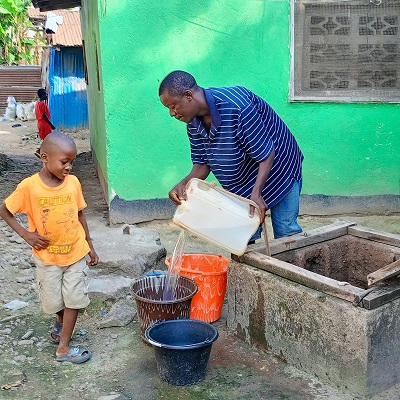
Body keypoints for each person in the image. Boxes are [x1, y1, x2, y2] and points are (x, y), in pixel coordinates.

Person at [159, 70, 304, 240]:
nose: (171, 113)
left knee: (286, 232)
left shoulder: (238, 107)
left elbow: (266, 154)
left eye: (173, 106)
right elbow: (202, 163)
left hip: (279, 170)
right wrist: (183, 184)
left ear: (188, 95)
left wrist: (256, 193)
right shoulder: (193, 122)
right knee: (243, 238)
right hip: (242, 183)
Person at [0, 131, 98, 363]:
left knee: (73, 299)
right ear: (45, 157)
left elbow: (80, 214)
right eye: (65, 162)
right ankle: (61, 322)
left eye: (71, 161)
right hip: (47, 258)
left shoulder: (73, 183)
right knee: (55, 302)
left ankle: (63, 347)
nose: (69, 167)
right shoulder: (29, 187)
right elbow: (5, 210)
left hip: (75, 253)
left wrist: (89, 245)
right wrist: (27, 235)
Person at [35, 88, 55, 158]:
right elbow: (44, 115)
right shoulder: (42, 104)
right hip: (44, 124)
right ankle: (40, 152)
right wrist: (51, 124)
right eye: (46, 94)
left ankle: (42, 152)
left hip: (40, 123)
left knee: (45, 139)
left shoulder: (37, 103)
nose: (47, 95)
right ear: (42, 95)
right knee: (47, 139)